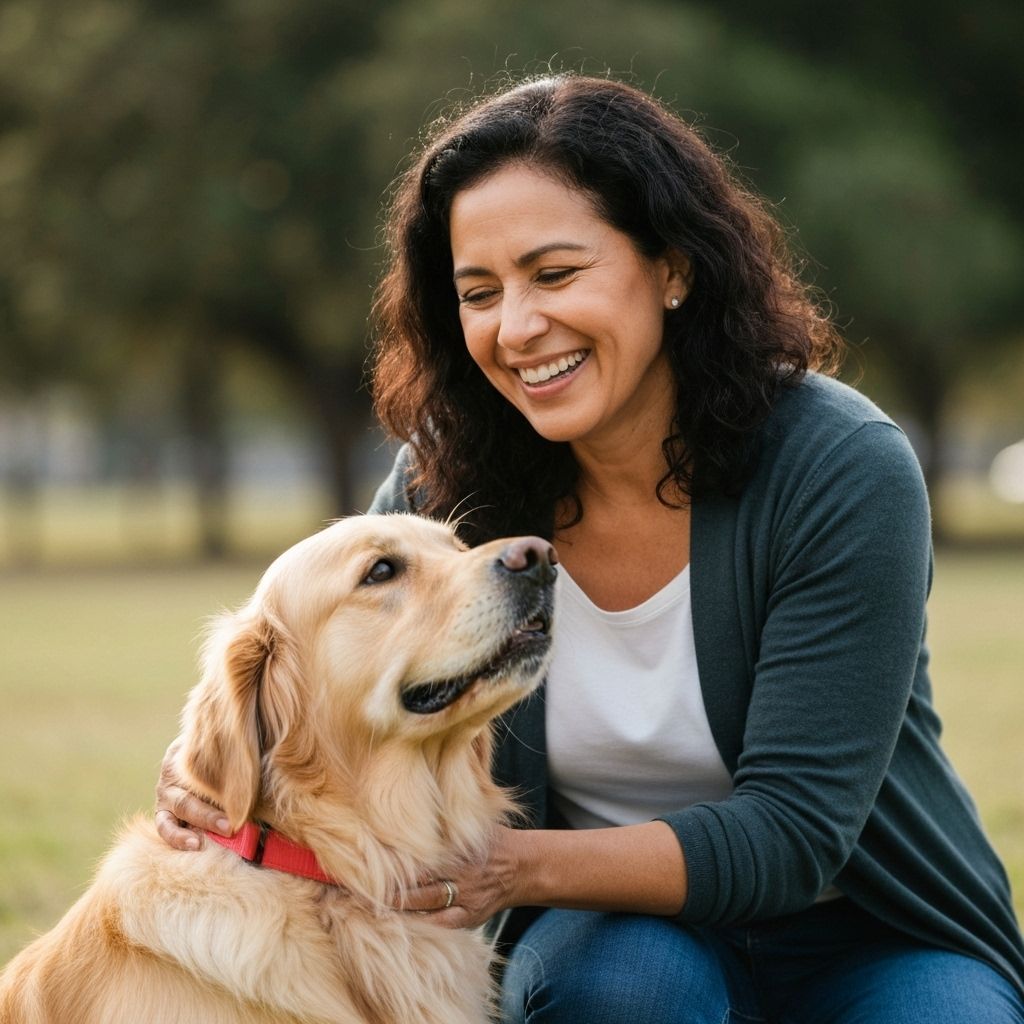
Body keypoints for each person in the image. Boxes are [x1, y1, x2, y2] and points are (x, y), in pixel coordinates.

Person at [156, 74, 1024, 1022]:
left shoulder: (840, 467)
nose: (518, 328)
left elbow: (792, 835)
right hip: (611, 931)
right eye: (478, 293)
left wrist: (508, 868)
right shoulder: (445, 486)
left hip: (869, 930)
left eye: (556, 274)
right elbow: (324, 682)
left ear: (674, 267)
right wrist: (205, 772)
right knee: (622, 989)